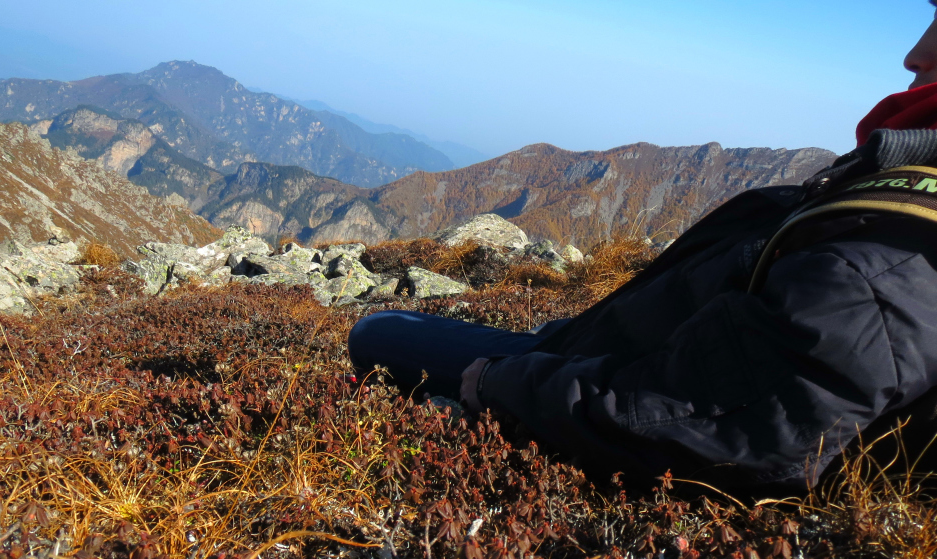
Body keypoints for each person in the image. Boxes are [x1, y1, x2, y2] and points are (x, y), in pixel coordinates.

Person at [348, 5, 937, 494]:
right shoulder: (900, 199)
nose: (913, 54)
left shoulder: (896, 257)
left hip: (608, 380)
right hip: (618, 354)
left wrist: (502, 383)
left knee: (377, 332)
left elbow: (720, 424)